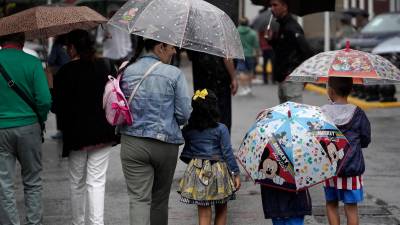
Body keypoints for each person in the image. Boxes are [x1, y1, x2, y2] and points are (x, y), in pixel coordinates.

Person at [118, 37, 192, 225]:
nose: (175, 51)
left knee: (138, 199)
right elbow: (184, 114)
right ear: (160, 47)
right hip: (165, 144)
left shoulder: (126, 70)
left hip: (132, 143)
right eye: (172, 47)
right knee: (159, 200)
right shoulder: (174, 74)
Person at [52, 29, 119, 225]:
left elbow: (57, 107)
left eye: (67, 47)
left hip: (77, 136)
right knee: (96, 182)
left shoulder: (64, 72)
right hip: (102, 133)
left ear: (73, 48)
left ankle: (78, 222)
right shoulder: (106, 66)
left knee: (77, 182)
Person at [0, 32, 52, 225]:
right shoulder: (32, 62)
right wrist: (41, 117)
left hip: (1, 129)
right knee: (32, 181)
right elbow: (45, 100)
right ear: (21, 41)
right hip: (29, 127)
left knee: (4, 184)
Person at [178, 88, 241, 225]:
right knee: (222, 209)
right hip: (218, 171)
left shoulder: (189, 129)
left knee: (204, 213)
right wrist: (235, 173)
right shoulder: (221, 129)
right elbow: (227, 153)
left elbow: (187, 151)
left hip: (197, 170)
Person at [321, 77, 371, 225]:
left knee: (331, 204)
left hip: (330, 168)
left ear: (330, 91)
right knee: (351, 208)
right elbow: (366, 138)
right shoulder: (358, 113)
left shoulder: (322, 112)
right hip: (352, 168)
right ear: (351, 90)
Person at [268, 0, 313, 103]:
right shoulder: (282, 26)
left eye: (275, 5)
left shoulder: (292, 27)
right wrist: (272, 41)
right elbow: (284, 50)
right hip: (283, 77)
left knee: (294, 115)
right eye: (271, 5)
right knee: (284, 116)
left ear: (285, 7)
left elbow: (307, 52)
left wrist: (300, 74)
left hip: (291, 78)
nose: (272, 8)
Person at [188, 51, 238, 132]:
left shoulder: (195, 39)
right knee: (222, 116)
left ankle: (203, 139)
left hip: (201, 82)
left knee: (202, 113)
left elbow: (190, 56)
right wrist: (233, 78)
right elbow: (227, 57)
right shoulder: (221, 39)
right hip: (219, 82)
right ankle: (221, 140)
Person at [48, 34, 70, 140]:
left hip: (60, 79)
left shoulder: (57, 45)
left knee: (60, 105)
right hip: (71, 78)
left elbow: (51, 60)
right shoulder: (70, 44)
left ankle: (61, 130)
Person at [97, 4, 132, 69]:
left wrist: (127, 51)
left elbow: (127, 39)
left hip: (123, 54)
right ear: (108, 13)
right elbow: (98, 40)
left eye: (115, 13)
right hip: (109, 55)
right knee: (110, 74)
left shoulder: (123, 24)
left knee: (122, 73)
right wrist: (105, 37)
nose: (113, 15)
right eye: (112, 13)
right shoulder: (103, 25)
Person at [237, 17, 260, 96]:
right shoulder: (253, 33)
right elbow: (256, 46)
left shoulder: (236, 31)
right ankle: (249, 88)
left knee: (241, 72)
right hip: (250, 54)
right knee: (250, 71)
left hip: (240, 54)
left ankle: (244, 88)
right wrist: (257, 56)